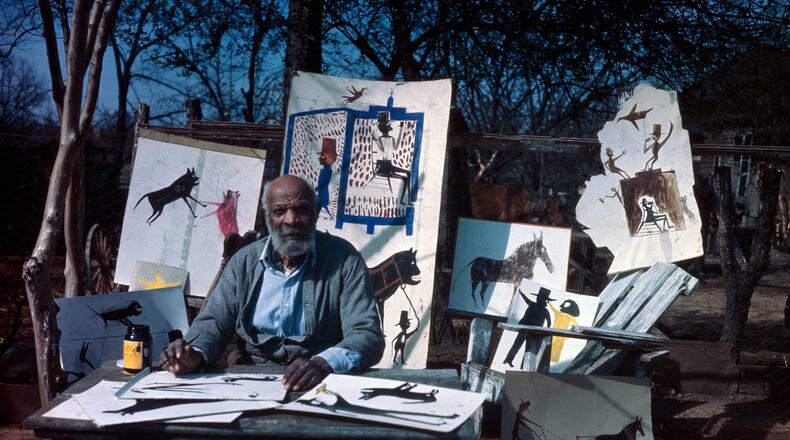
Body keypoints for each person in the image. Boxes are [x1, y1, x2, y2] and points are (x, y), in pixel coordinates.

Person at [160, 175, 385, 391]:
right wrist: (192, 353)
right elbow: (214, 321)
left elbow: (367, 335)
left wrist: (323, 363)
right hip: (249, 379)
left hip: (319, 382)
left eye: (301, 210)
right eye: (279, 212)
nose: (291, 220)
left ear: (316, 213)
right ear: (267, 218)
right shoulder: (244, 262)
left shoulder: (344, 260)